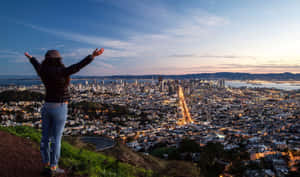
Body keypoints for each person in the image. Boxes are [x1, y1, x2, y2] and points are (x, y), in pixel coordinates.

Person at [24, 48, 104, 175]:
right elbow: (78, 66)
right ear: (58, 60)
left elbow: (36, 64)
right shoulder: (62, 71)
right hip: (60, 107)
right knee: (56, 138)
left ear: (47, 59)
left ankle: (46, 165)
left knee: (45, 138)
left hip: (46, 106)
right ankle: (53, 167)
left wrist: (31, 58)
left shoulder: (43, 71)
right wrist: (92, 56)